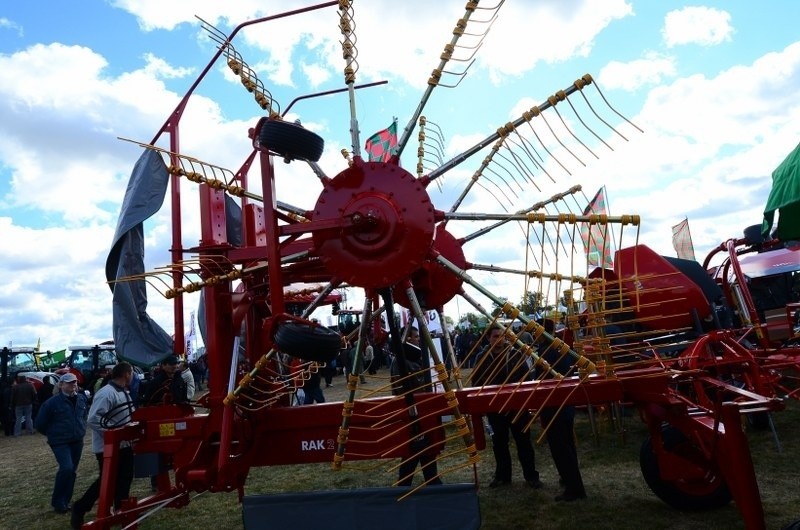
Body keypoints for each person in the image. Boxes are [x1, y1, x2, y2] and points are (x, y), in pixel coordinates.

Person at [471, 325, 542, 489]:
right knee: (499, 443)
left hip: (517, 406)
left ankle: (531, 476)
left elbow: (526, 377)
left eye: (502, 336)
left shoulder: (515, 354)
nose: (499, 339)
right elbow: (476, 381)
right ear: (489, 338)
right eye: (495, 336)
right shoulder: (482, 357)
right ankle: (503, 476)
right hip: (494, 408)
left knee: (523, 442)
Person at [71, 362, 136, 529]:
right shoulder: (106, 393)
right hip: (109, 446)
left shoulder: (122, 392)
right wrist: (113, 432)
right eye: (132, 373)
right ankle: (80, 507)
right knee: (107, 481)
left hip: (124, 444)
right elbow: (93, 418)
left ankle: (121, 511)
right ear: (127, 374)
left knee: (124, 479)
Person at [536, 318, 587, 502]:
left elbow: (541, 379)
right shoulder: (560, 347)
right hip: (565, 405)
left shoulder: (547, 351)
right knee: (567, 446)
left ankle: (574, 488)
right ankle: (569, 480)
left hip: (554, 405)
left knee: (561, 448)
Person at [391, 327, 443, 487]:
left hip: (424, 410)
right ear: (407, 340)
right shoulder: (400, 362)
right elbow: (402, 389)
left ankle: (432, 479)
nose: (418, 339)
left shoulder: (416, 359)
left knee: (428, 447)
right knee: (413, 450)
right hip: (412, 412)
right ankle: (405, 484)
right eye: (415, 337)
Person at [35, 372, 89, 514]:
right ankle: (58, 501)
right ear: (61, 385)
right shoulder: (52, 403)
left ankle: (65, 501)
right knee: (66, 468)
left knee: (72, 471)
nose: (73, 385)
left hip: (77, 440)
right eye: (70, 382)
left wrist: (81, 427)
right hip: (60, 442)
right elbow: (40, 423)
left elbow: (84, 415)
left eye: (75, 382)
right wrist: (53, 434)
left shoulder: (82, 399)